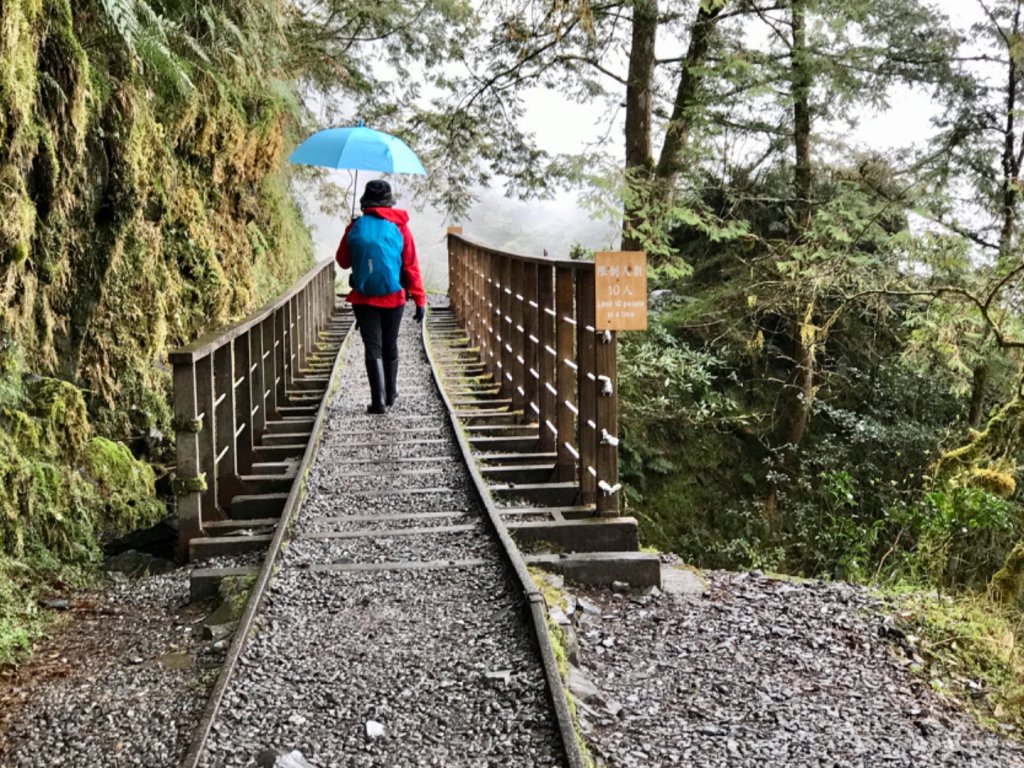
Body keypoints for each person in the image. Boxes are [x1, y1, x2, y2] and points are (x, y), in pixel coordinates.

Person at [335, 179, 427, 414]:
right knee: (390, 344)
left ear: (365, 200)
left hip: (364, 299)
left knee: (372, 347)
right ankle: (391, 392)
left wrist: (352, 232)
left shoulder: (356, 226)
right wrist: (419, 300)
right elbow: (410, 266)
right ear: (389, 201)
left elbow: (343, 261)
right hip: (394, 297)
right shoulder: (401, 228)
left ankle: (378, 401)